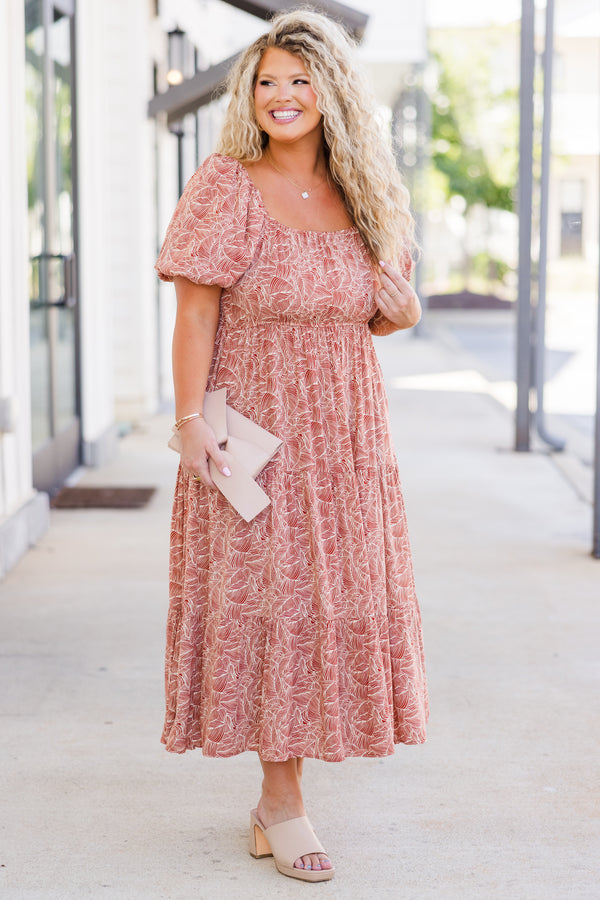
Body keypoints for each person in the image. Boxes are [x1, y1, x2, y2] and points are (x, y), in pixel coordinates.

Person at [155, 8, 428, 883]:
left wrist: (402, 310)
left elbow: (378, 311)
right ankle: (281, 799)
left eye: (300, 81)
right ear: (249, 95)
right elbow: (195, 313)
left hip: (345, 438)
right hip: (254, 433)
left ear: (331, 91)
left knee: (328, 607)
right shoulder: (227, 185)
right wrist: (190, 421)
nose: (281, 96)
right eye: (266, 82)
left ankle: (282, 795)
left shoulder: (365, 191)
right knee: (273, 605)